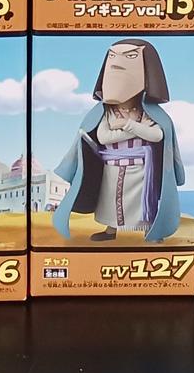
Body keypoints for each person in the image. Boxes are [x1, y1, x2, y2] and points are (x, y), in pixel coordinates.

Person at [53, 39, 184, 243]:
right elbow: (104, 137)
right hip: (111, 167)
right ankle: (110, 229)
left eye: (130, 56)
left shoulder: (149, 113)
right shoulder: (106, 112)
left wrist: (126, 125)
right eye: (112, 56)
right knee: (111, 201)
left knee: (142, 203)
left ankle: (149, 229)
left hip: (141, 170)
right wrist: (137, 130)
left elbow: (158, 135)